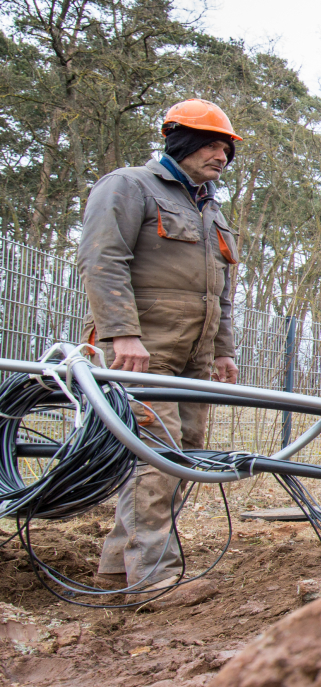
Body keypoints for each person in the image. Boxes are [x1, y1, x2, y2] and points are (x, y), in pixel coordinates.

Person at [78, 99, 243, 606]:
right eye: (213, 144)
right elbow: (102, 258)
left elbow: (222, 290)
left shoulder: (211, 210)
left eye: (227, 149)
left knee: (182, 456)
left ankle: (115, 573)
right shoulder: (129, 187)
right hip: (142, 350)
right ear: (182, 141)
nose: (221, 155)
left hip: (193, 356)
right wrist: (121, 333)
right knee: (156, 459)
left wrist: (222, 351)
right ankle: (154, 578)